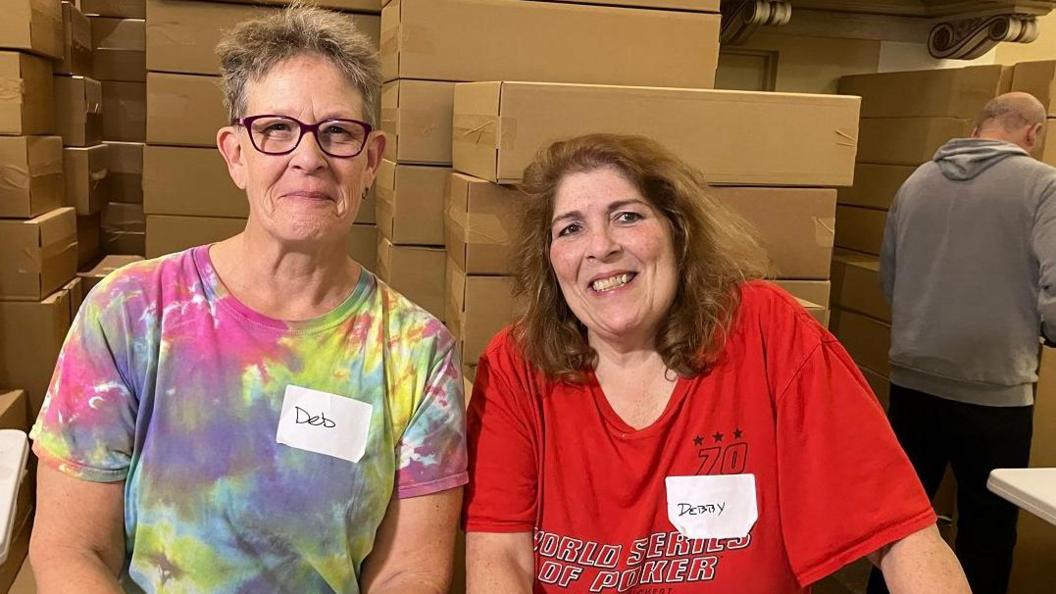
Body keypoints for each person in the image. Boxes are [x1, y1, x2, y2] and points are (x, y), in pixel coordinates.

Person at [28, 7, 466, 593]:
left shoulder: (416, 351)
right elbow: (70, 549)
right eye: (276, 129)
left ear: (371, 159)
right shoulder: (131, 312)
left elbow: (409, 573)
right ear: (236, 153)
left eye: (338, 132)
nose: (308, 158)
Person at [462, 133, 971, 594]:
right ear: (550, 260)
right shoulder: (516, 366)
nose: (601, 246)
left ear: (677, 233)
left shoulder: (768, 332)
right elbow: (499, 558)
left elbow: (899, 535)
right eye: (570, 228)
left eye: (628, 216)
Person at [870, 92, 1056, 594]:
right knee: (989, 526)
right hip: (993, 388)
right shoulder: (1043, 184)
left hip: (912, 377)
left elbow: (890, 278)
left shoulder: (916, 182)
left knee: (901, 521)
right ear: (1033, 134)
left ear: (978, 127)